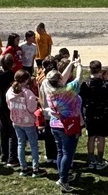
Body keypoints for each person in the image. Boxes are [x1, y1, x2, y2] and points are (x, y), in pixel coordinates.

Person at [43, 58, 84, 193]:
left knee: (60, 151)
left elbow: (62, 77)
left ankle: (62, 175)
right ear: (59, 80)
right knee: (68, 153)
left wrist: (71, 64)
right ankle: (63, 180)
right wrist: (79, 66)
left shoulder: (49, 89)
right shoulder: (68, 91)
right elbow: (78, 78)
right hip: (68, 126)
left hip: (54, 124)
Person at [6, 69, 44, 177]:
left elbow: (9, 105)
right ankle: (35, 168)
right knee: (33, 145)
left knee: (20, 144)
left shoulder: (10, 91)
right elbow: (32, 109)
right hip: (28, 123)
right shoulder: (28, 93)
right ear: (26, 80)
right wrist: (36, 103)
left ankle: (23, 167)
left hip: (16, 121)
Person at [81, 60, 108, 171]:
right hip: (102, 114)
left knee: (91, 137)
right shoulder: (104, 84)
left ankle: (91, 159)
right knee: (101, 137)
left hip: (90, 114)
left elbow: (82, 99)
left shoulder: (85, 84)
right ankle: (100, 160)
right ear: (100, 70)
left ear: (89, 70)